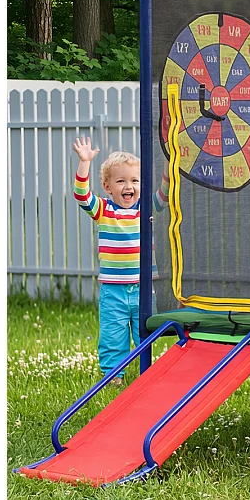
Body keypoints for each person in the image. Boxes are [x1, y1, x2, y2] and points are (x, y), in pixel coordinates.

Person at [72, 137, 163, 379]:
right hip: (114, 291)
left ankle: (147, 376)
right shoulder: (104, 210)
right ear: (107, 186)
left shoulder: (147, 209)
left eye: (134, 180)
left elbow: (165, 195)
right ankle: (113, 378)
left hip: (145, 289)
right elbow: (81, 196)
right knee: (113, 338)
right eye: (120, 181)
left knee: (145, 335)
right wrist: (84, 162)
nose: (128, 186)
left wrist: (168, 169)